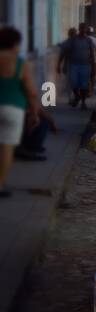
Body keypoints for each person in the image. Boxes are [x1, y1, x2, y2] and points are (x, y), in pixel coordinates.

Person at [0, 27, 45, 198]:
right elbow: (31, 92)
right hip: (13, 109)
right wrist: (34, 113)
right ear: (15, 44)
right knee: (6, 148)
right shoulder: (19, 63)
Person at [62, 24, 96, 108]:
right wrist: (64, 64)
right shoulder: (73, 40)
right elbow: (66, 52)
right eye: (81, 28)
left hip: (85, 65)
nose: (82, 30)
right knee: (73, 82)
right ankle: (77, 96)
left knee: (84, 85)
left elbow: (92, 54)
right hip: (73, 65)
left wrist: (93, 66)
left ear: (86, 30)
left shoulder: (89, 40)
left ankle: (83, 102)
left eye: (84, 29)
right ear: (79, 29)